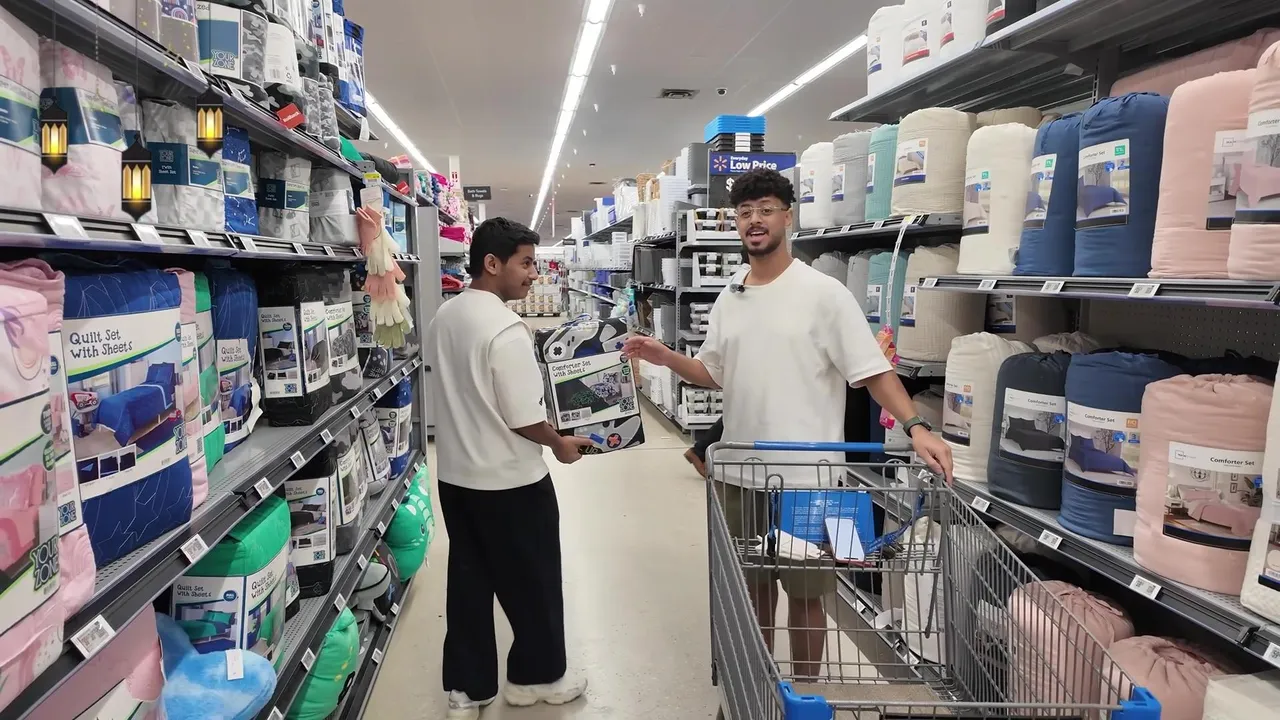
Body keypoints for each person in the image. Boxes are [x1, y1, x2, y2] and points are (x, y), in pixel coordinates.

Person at [622, 168, 953, 678]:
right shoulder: (731, 295)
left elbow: (873, 372)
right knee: (752, 588)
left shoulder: (824, 294)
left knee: (806, 596)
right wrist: (664, 356)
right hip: (740, 474)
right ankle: (757, 687)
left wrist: (916, 427)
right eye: (744, 212)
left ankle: (804, 692)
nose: (754, 221)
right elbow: (713, 373)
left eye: (765, 210)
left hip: (807, 480)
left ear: (787, 217)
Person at [425, 217, 593, 719]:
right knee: (533, 584)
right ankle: (536, 680)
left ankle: (467, 689)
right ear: (492, 263)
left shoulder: (444, 316)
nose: (533, 274)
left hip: (457, 478)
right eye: (526, 263)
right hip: (512, 482)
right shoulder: (505, 328)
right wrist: (559, 444)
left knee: (469, 583)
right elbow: (524, 418)